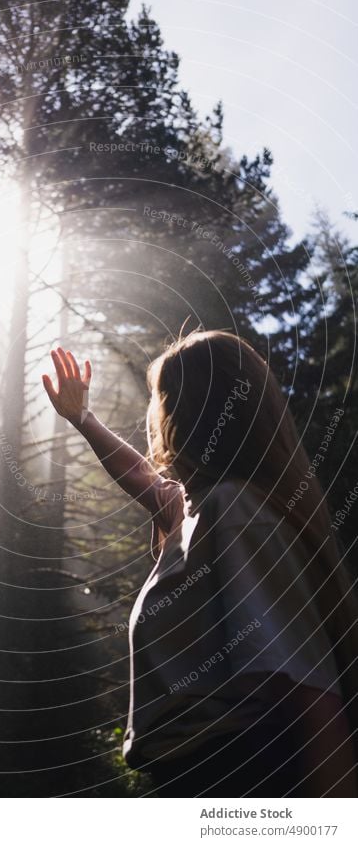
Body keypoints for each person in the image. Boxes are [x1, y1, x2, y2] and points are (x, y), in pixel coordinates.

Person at [41, 329, 358, 797]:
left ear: (186, 414)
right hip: (197, 774)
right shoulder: (200, 506)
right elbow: (140, 476)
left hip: (234, 774)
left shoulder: (232, 511)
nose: (154, 413)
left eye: (162, 397)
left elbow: (308, 692)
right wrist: (82, 418)